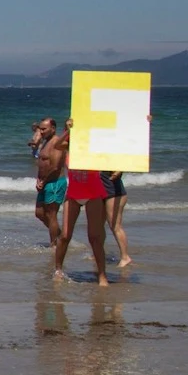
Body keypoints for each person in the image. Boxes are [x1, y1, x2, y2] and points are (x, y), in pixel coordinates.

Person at [50, 119, 109, 286]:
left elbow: (119, 143)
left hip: (93, 194)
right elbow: (57, 145)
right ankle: (58, 270)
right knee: (65, 236)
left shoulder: (95, 147)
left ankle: (102, 275)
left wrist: (145, 122)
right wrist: (69, 131)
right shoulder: (69, 147)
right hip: (73, 194)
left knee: (94, 237)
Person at [101, 114, 146, 268]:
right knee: (99, 225)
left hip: (114, 191)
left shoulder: (116, 149)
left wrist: (144, 121)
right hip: (102, 191)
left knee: (115, 225)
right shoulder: (97, 149)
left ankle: (125, 257)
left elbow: (131, 150)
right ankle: (99, 253)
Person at [30, 117, 65, 247]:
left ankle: (54, 245)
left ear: (53, 129)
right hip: (44, 182)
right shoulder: (45, 142)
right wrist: (39, 179)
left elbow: (55, 167)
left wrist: (43, 181)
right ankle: (60, 235)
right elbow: (43, 164)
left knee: (51, 215)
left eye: (44, 129)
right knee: (39, 213)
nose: (42, 131)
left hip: (54, 182)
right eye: (40, 129)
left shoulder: (56, 143)